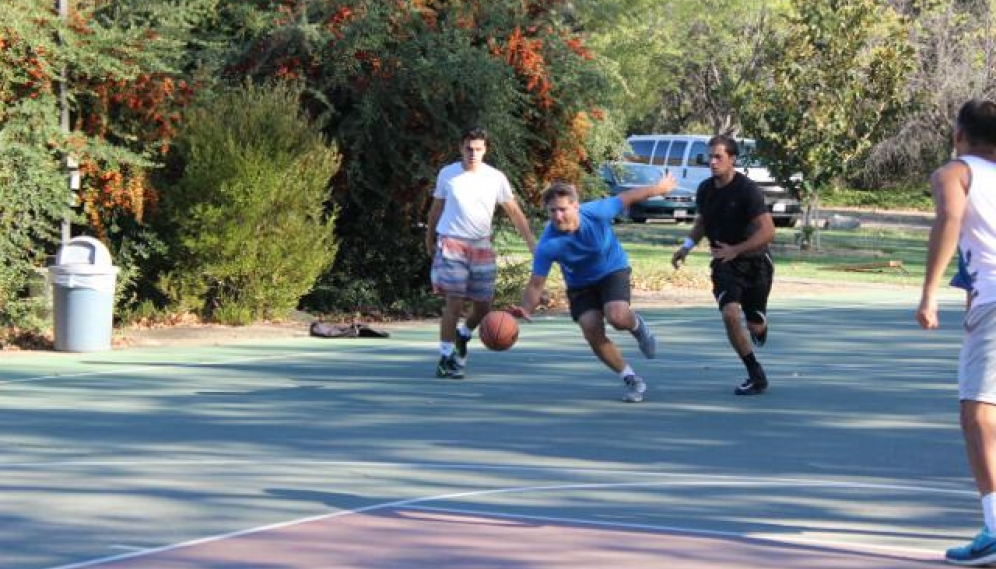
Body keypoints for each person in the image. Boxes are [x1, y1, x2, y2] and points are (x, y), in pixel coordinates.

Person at [510, 173, 678, 403]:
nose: (558, 216)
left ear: (576, 206)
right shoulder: (548, 245)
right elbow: (536, 283)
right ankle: (630, 378)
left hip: (612, 269)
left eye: (562, 209)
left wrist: (660, 187)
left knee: (617, 317)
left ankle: (639, 328)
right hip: (580, 284)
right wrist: (525, 309)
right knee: (590, 327)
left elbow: (628, 196)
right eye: (552, 211)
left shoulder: (597, 212)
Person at [916, 98, 996, 567]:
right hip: (985, 298)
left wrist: (929, 293)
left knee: (978, 413)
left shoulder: (955, 172)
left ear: (959, 134)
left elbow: (950, 220)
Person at [426, 127, 536, 379]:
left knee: (483, 306)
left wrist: (531, 242)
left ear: (485, 150)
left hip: (481, 246)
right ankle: (445, 358)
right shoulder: (448, 174)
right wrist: (429, 238)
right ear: (460, 148)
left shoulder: (495, 177)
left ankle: (463, 336)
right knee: (454, 301)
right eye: (469, 148)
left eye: (478, 149)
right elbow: (436, 209)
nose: (473, 153)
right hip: (451, 243)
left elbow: (515, 213)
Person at [670, 135, 776, 396]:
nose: (712, 161)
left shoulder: (747, 190)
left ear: (732, 160)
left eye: (718, 157)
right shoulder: (705, 189)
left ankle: (758, 325)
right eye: (710, 156)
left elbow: (768, 231)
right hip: (724, 263)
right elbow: (703, 223)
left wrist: (737, 249)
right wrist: (686, 247)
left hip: (756, 262)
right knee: (730, 314)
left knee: (754, 325)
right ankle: (755, 373)